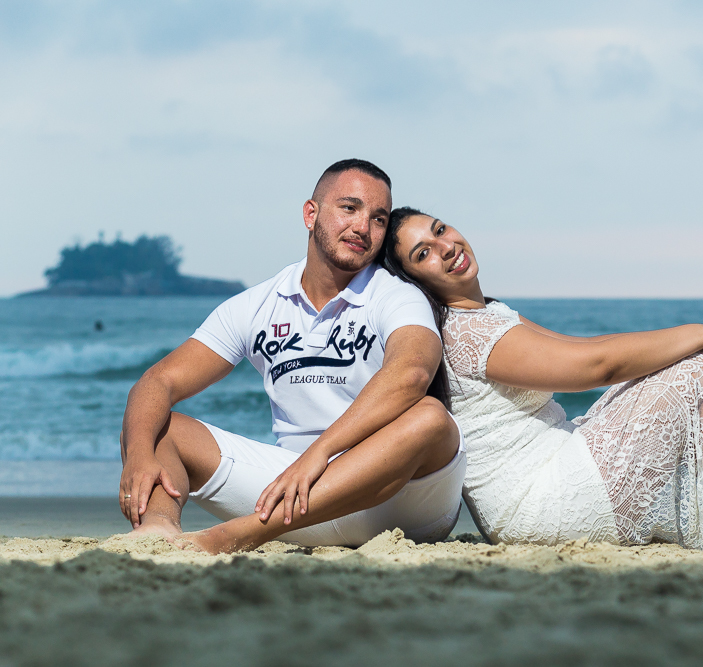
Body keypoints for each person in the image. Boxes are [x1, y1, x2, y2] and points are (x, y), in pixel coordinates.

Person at [378, 207, 703, 550]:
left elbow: (582, 347)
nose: (447, 247)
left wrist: (690, 342)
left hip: (550, 472)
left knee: (685, 368)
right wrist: (701, 333)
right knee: (694, 371)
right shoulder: (466, 333)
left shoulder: (485, 312)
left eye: (440, 230)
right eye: (425, 253)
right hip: (539, 502)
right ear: (417, 281)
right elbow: (595, 368)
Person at [118, 161, 465, 554]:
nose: (363, 228)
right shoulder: (258, 304)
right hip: (294, 494)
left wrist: (321, 452)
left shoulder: (396, 296)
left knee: (430, 418)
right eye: (349, 208)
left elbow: (411, 373)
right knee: (154, 425)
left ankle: (236, 535)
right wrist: (139, 457)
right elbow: (158, 381)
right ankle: (159, 530)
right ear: (310, 214)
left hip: (403, 500)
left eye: (378, 219)